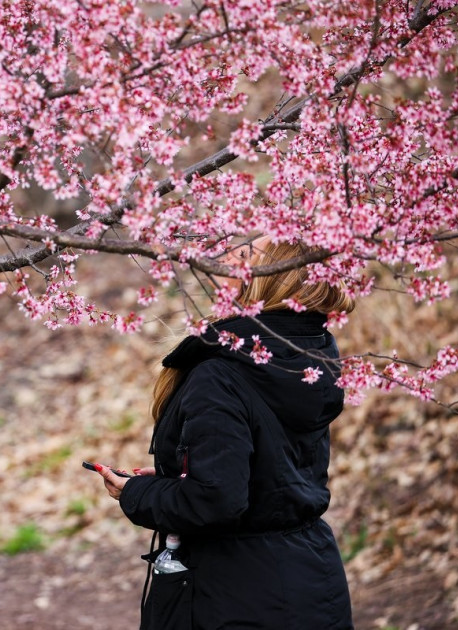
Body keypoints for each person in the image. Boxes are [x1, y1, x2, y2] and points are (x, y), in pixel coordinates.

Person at [94, 236, 355, 630]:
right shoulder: (312, 355)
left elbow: (215, 501)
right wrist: (178, 478)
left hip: (236, 595)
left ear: (268, 281)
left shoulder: (223, 374)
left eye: (247, 254)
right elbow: (270, 471)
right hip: (312, 578)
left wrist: (137, 494)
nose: (225, 256)